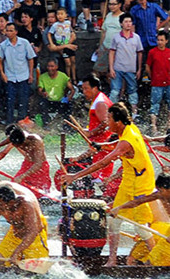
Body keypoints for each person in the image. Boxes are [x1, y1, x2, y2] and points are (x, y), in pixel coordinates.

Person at [59, 103, 156, 266]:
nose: (106, 123)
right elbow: (117, 144)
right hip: (129, 180)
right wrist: (100, 146)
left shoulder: (127, 140)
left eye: (109, 119)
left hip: (141, 183)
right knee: (114, 220)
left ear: (118, 121)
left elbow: (103, 162)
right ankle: (112, 260)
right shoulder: (129, 127)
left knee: (140, 227)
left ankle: (156, 260)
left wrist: (74, 176)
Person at [109, 173, 170, 266]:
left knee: (136, 260)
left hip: (163, 229)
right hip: (167, 232)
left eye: (161, 190)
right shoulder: (159, 195)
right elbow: (138, 202)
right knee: (151, 261)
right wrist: (119, 208)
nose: (159, 193)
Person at [0, 125, 52, 195]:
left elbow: (38, 163)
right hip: (27, 164)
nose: (16, 146)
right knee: (15, 187)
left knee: (40, 191)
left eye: (19, 145)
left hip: (40, 168)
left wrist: (22, 176)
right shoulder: (13, 137)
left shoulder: (36, 141)